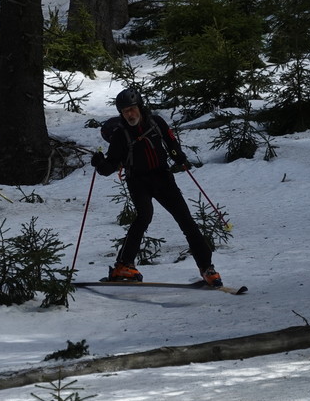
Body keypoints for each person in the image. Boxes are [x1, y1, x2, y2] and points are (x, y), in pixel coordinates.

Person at [91, 88, 222, 287]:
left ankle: (207, 268)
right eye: (125, 111)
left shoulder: (156, 123)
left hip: (163, 178)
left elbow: (171, 141)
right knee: (144, 216)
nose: (130, 114)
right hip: (137, 181)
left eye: (132, 109)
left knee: (186, 220)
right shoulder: (120, 135)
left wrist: (178, 155)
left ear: (139, 107)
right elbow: (110, 166)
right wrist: (100, 164)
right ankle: (123, 266)